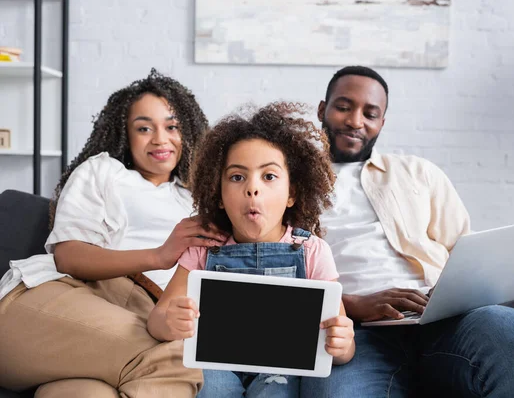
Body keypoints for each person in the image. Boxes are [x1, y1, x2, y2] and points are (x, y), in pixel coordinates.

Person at [300, 66, 514, 397]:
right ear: (322, 109)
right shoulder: (285, 182)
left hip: (440, 321)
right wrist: (351, 304)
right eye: (343, 107)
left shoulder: (418, 172)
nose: (356, 121)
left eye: (370, 114)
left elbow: (466, 251)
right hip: (353, 333)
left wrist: (449, 294)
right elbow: (279, 273)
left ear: (382, 123)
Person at [0, 69, 225, 398]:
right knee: (175, 361)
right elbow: (68, 255)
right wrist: (158, 256)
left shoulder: (199, 198)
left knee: (86, 394)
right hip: (62, 297)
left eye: (172, 126)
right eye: (144, 128)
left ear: (188, 132)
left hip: (140, 319)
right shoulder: (104, 171)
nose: (160, 139)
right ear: (125, 134)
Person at [147, 102, 356, 398]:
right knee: (207, 390)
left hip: (282, 371)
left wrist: (343, 345)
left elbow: (340, 340)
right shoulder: (203, 250)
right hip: (214, 365)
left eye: (268, 176)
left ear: (292, 195)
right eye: (237, 177)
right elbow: (157, 319)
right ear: (218, 195)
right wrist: (170, 322)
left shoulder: (311, 251)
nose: (252, 189)